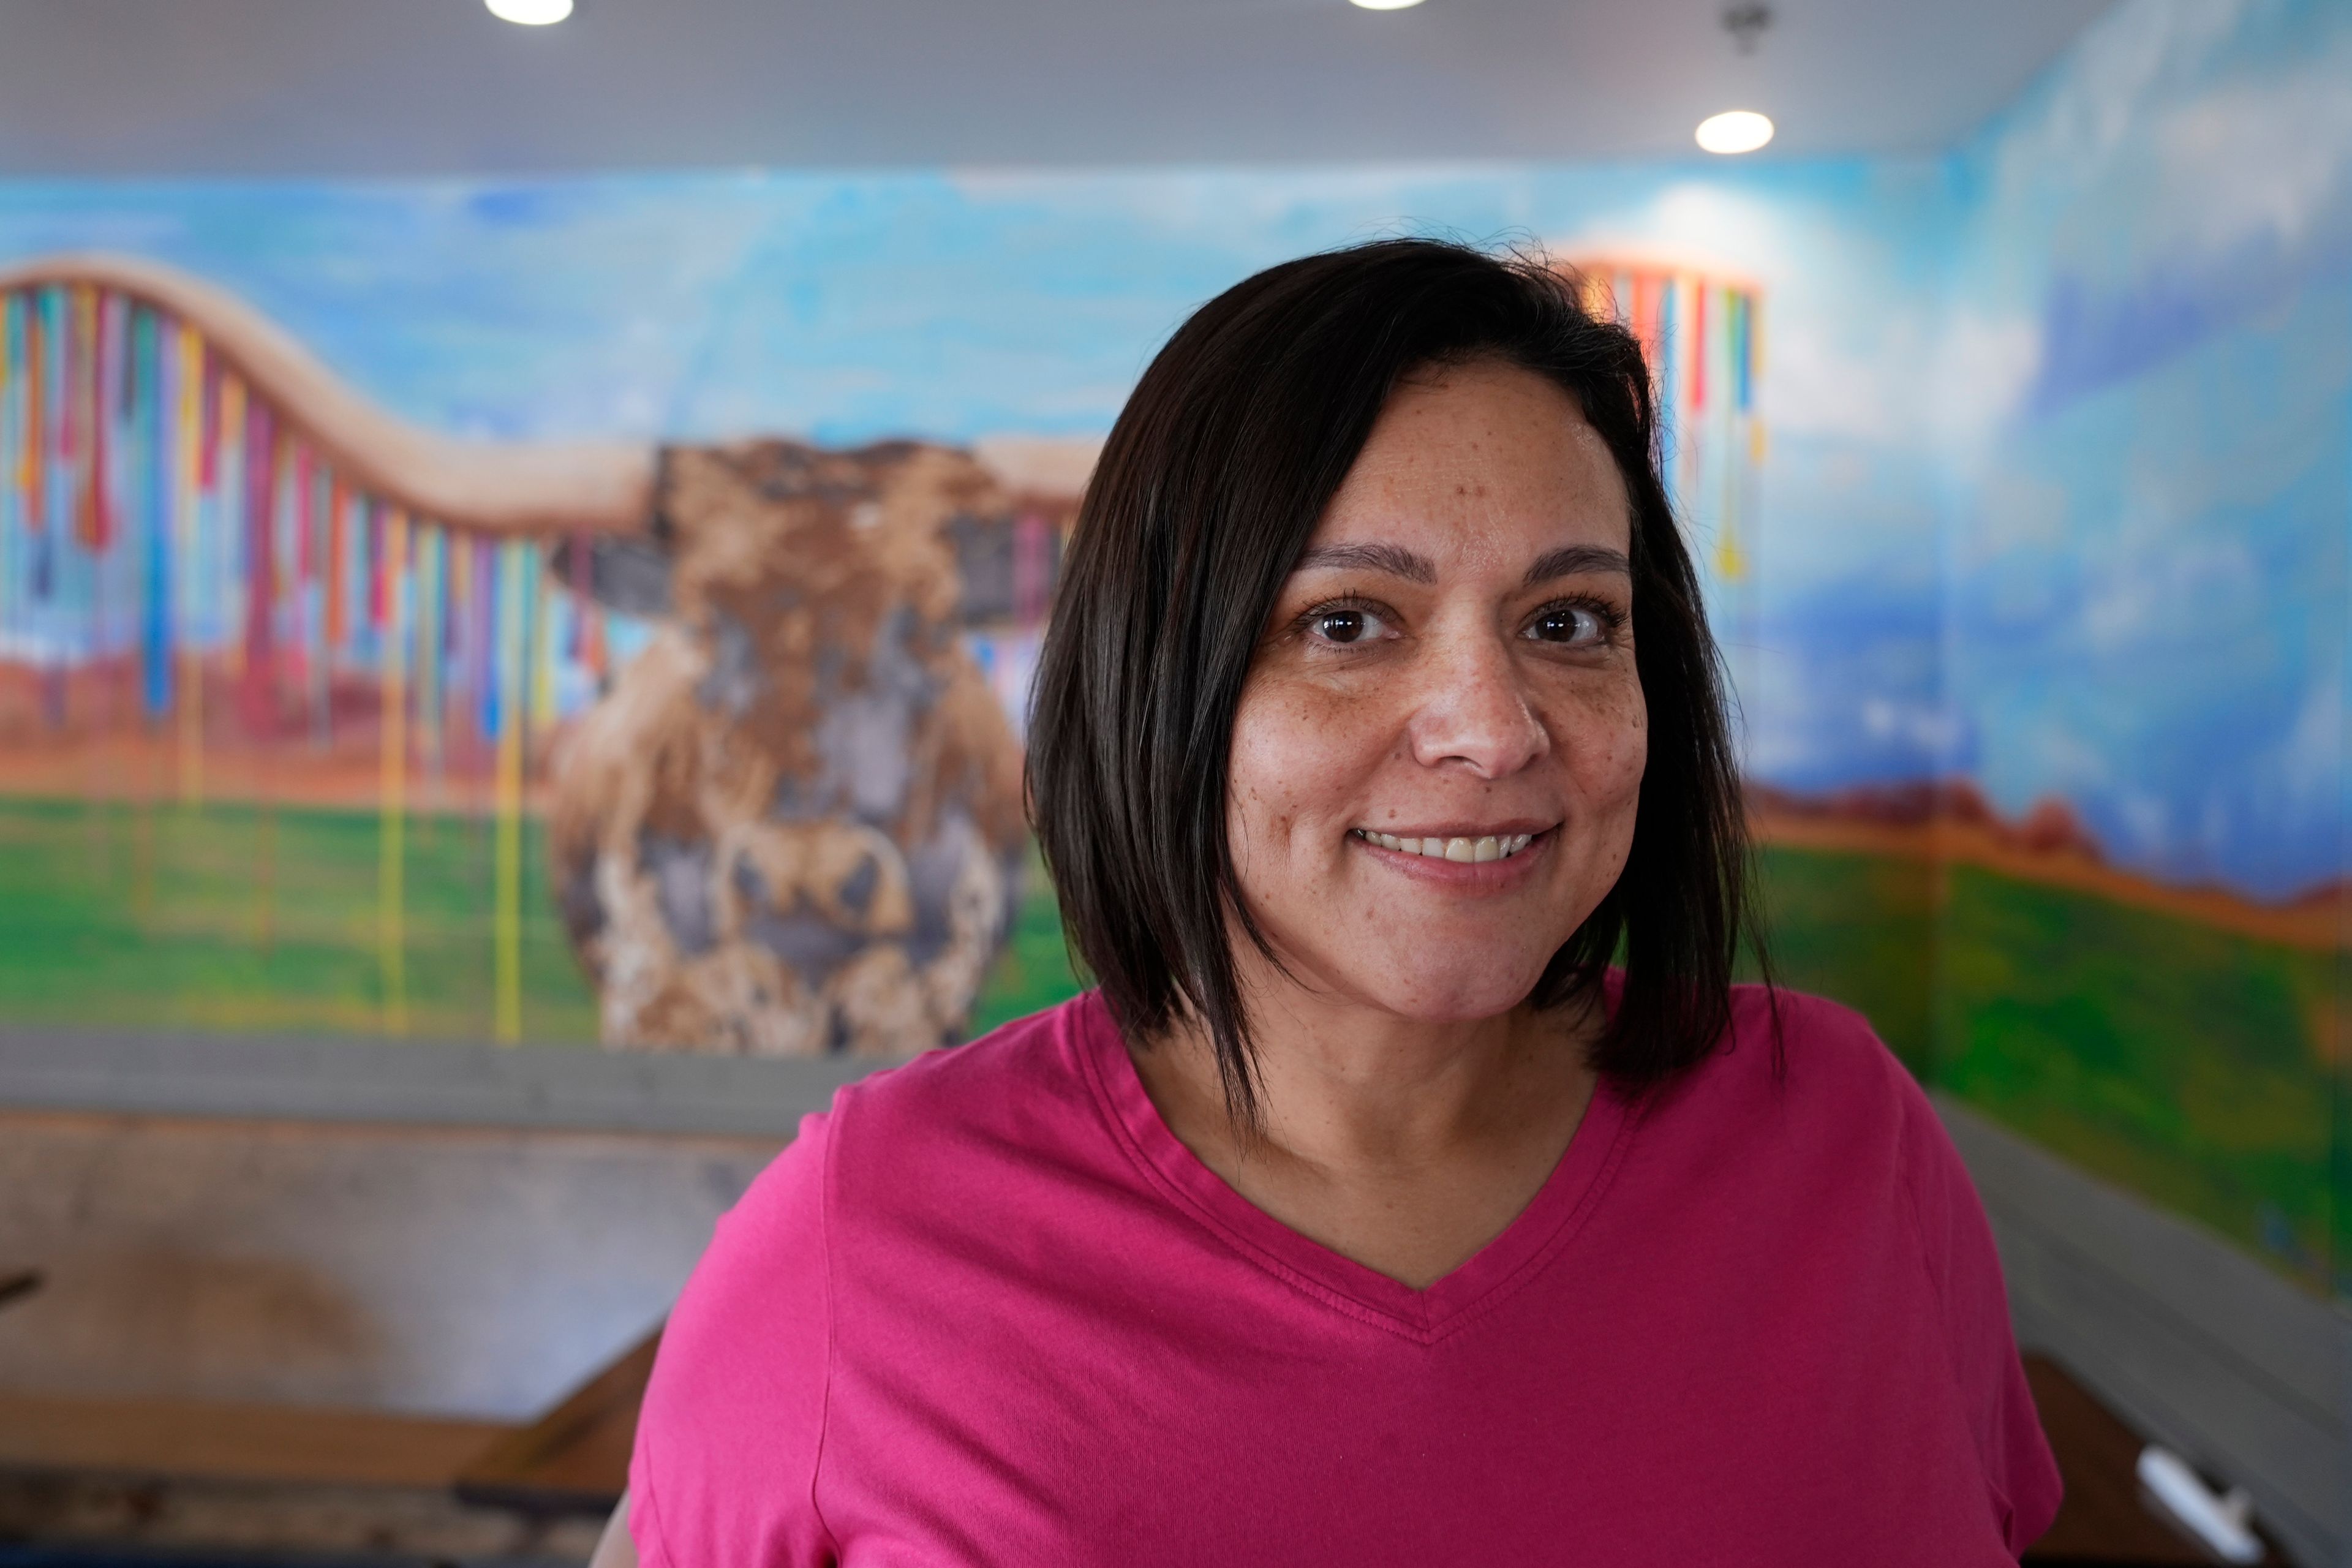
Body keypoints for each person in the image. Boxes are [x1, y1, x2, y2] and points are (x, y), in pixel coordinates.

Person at [597, 238, 2060, 1566]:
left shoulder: (1847, 1136)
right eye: (1346, 622)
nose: (1493, 730)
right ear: (1159, 683)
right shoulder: (865, 1237)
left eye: (1569, 621)